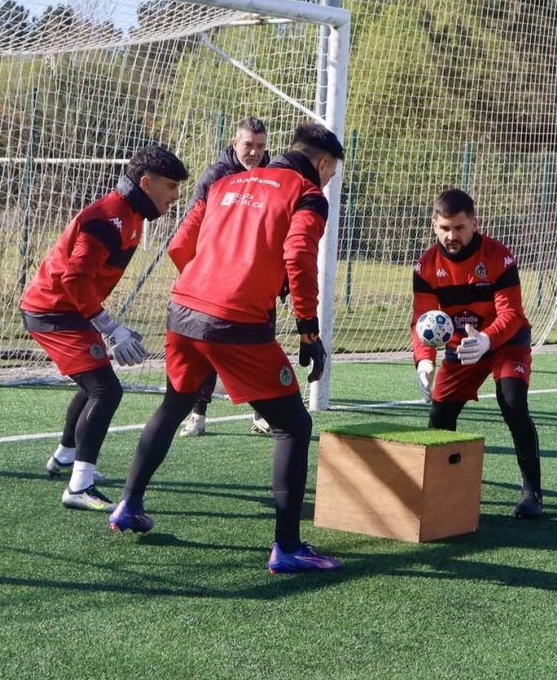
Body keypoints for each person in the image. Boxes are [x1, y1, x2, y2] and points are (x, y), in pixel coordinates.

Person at [109, 121, 346, 574]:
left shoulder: (226, 183)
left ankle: (128, 505)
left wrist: (209, 281)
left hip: (183, 310)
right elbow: (297, 255)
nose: (329, 180)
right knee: (292, 424)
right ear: (322, 163)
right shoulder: (308, 194)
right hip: (234, 320)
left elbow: (181, 245)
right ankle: (289, 547)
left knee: (175, 402)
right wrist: (308, 329)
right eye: (331, 172)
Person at [20, 145, 187, 512]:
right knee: (105, 390)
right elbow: (74, 278)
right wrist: (110, 327)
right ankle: (79, 486)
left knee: (95, 381)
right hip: (53, 311)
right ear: (145, 183)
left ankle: (65, 456)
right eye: (171, 186)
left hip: (69, 309)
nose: (176, 196)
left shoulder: (130, 214)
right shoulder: (108, 219)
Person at [410, 189, 544, 518]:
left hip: (505, 340)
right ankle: (441, 492)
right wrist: (424, 359)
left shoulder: (499, 256)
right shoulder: (426, 265)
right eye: (444, 228)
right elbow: (423, 319)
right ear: (433, 226)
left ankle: (532, 494)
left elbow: (511, 315)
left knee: (513, 401)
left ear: (474, 224)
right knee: (440, 417)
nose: (451, 236)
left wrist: (487, 339)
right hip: (461, 346)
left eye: (459, 228)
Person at [175, 115, 274, 440]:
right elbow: (193, 227)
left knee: (260, 348)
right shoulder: (215, 177)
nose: (255, 152)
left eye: (260, 146)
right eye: (248, 145)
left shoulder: (273, 176)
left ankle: (262, 414)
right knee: (208, 349)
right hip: (216, 283)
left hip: (255, 283)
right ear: (235, 144)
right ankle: (198, 414)